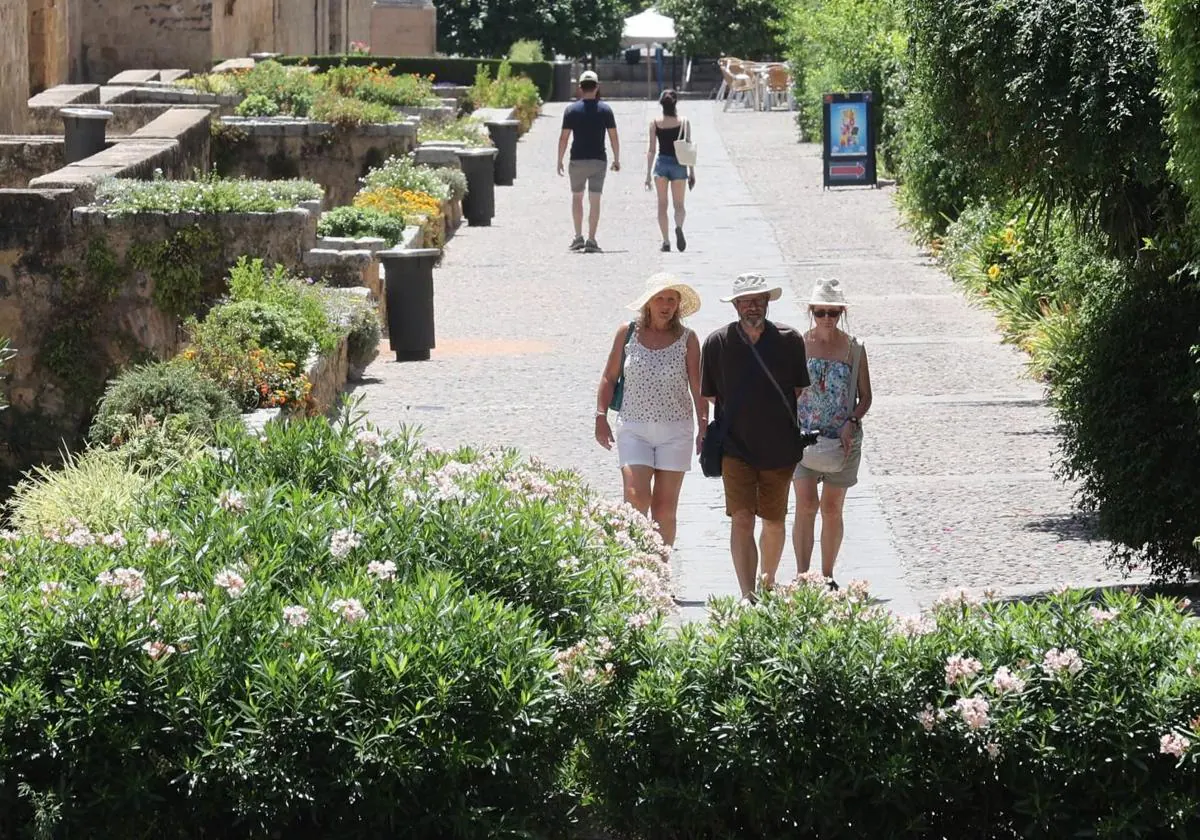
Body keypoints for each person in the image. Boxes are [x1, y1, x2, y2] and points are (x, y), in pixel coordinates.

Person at [701, 272, 810, 600]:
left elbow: (798, 389)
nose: (753, 306)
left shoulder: (790, 340)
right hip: (735, 448)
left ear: (767, 302)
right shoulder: (717, 343)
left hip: (780, 448)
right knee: (742, 518)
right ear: (735, 305)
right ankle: (748, 595)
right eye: (746, 301)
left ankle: (768, 580)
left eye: (759, 300)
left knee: (774, 521)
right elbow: (711, 395)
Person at [595, 273, 705, 547]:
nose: (666, 305)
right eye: (660, 298)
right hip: (634, 427)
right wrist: (600, 416)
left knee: (664, 510)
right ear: (648, 302)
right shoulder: (627, 333)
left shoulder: (688, 339)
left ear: (678, 305)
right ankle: (630, 562)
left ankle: (661, 571)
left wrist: (704, 425)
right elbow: (609, 376)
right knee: (635, 497)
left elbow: (697, 385)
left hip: (676, 430)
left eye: (671, 299)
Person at [791, 278, 872, 589]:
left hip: (842, 439)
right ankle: (802, 575)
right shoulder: (798, 345)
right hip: (803, 437)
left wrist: (851, 420)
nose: (826, 318)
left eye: (833, 312)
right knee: (806, 505)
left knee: (832, 507)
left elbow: (865, 396)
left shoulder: (854, 348)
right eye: (821, 312)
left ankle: (827, 575)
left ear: (841, 313)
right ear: (811, 311)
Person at [557, 70, 620, 254]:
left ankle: (578, 236)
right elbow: (613, 136)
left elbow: (564, 138)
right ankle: (591, 239)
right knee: (595, 199)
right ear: (597, 87)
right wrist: (617, 158)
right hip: (598, 160)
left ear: (580, 88)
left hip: (577, 159)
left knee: (577, 197)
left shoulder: (571, 110)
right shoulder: (605, 110)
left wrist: (559, 159)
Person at [643, 89, 695, 253]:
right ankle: (678, 226)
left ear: (661, 104)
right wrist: (691, 172)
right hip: (679, 164)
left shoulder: (655, 123)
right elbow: (688, 148)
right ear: (676, 103)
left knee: (662, 205)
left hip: (662, 163)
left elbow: (651, 150)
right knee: (679, 205)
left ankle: (666, 241)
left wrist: (647, 175)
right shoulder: (684, 122)